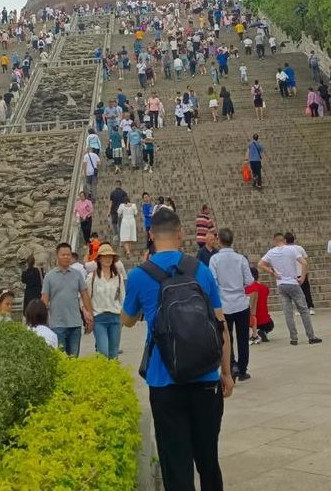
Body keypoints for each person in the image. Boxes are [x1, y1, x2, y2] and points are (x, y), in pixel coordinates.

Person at [121, 207, 233, 491]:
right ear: (181, 233)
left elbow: (127, 320)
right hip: (206, 380)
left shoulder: (138, 276)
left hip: (164, 382)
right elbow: (221, 326)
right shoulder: (201, 270)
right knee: (208, 459)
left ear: (150, 235)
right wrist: (227, 372)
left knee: (175, 461)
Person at [258, 233, 322, 346]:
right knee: (303, 310)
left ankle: (293, 338)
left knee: (288, 312)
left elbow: (261, 264)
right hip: (293, 282)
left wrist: (272, 272)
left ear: (275, 241)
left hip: (281, 284)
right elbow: (304, 263)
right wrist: (302, 277)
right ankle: (311, 336)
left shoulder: (271, 252)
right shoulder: (292, 250)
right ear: (284, 240)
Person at [209, 228, 254, 381]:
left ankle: (231, 365)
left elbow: (213, 282)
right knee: (243, 337)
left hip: (224, 304)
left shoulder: (214, 259)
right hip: (241, 303)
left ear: (219, 241)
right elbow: (249, 281)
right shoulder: (241, 259)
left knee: (226, 337)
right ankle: (243, 369)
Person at [41, 242, 93, 357]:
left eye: (68, 255)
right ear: (57, 256)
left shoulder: (77, 275)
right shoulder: (49, 277)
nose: (66, 257)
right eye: (63, 255)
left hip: (75, 324)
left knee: (74, 359)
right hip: (57, 325)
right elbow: (44, 300)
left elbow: (85, 295)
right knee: (61, 359)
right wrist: (42, 323)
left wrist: (90, 316)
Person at [87, 242, 125, 359]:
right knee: (103, 351)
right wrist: (87, 314)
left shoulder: (118, 277)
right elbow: (86, 298)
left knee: (114, 353)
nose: (108, 259)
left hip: (115, 318)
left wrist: (123, 316)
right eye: (105, 256)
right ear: (99, 259)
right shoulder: (92, 277)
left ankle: (114, 376)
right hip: (99, 318)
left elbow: (122, 297)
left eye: (110, 257)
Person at [246, 267, 273, 343]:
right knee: (271, 325)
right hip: (265, 321)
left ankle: (253, 334)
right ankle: (262, 331)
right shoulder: (265, 288)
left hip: (250, 321)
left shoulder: (246, 289)